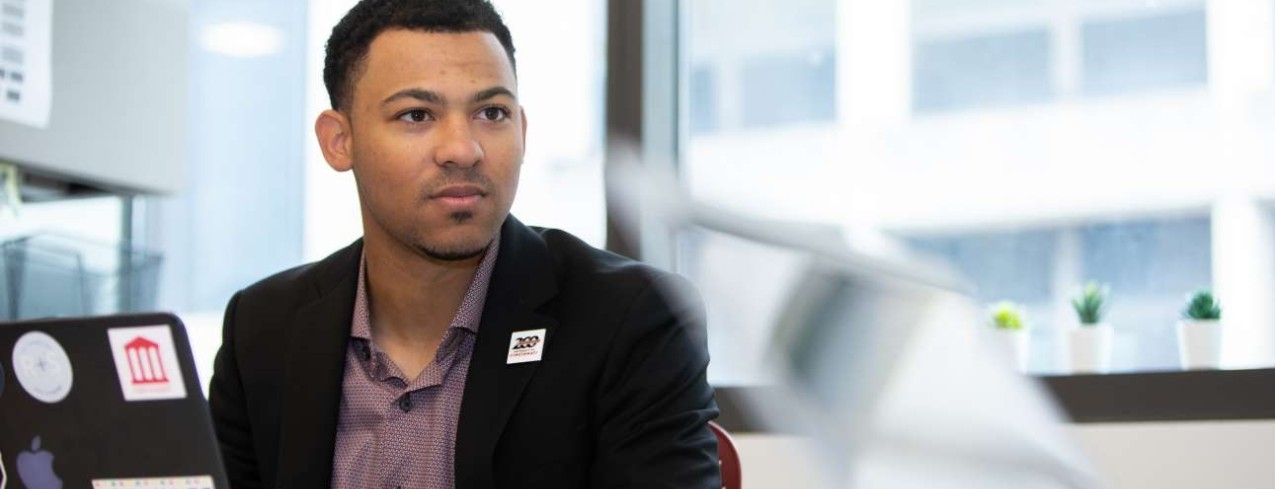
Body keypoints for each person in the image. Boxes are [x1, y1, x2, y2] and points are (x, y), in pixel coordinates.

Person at [206, 0, 721, 488]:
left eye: (491, 113)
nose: (463, 149)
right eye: (416, 115)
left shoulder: (630, 319)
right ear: (339, 141)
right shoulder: (263, 327)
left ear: (522, 128)